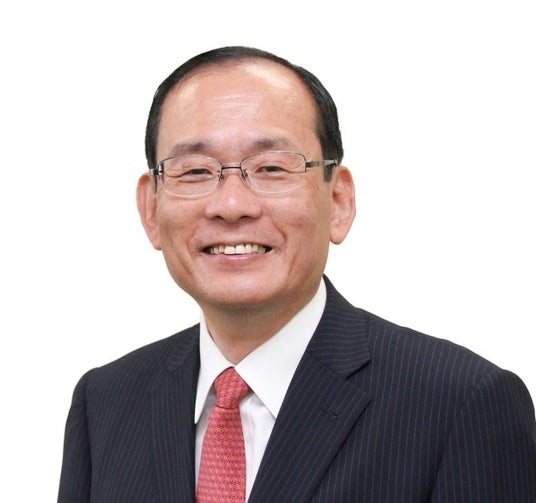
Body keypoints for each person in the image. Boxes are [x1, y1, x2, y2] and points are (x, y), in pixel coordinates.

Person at [58, 46, 536, 502]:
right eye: (196, 171)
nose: (231, 205)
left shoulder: (461, 403)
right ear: (150, 208)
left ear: (338, 201)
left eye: (271, 168)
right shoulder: (104, 403)